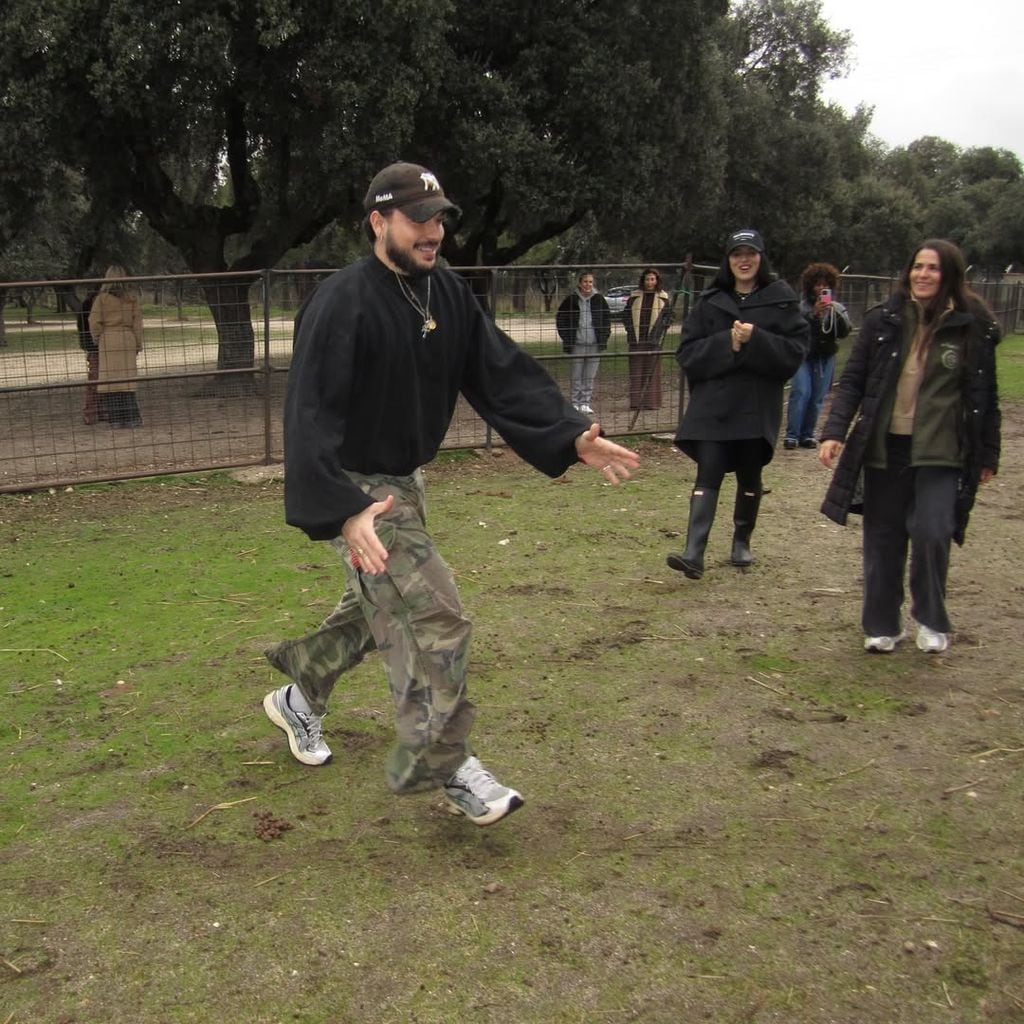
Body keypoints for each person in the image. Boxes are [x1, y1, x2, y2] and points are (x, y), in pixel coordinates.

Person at [263, 161, 640, 827]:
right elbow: (308, 413)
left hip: (407, 482)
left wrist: (571, 435)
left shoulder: (448, 294)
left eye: (439, 218)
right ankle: (450, 765)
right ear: (379, 221)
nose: (433, 231)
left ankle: (300, 698)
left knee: (378, 612)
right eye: (418, 218)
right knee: (434, 615)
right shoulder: (341, 301)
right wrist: (344, 507)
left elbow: (500, 372)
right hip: (363, 492)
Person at [819, 239, 1000, 655]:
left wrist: (988, 453)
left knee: (932, 530)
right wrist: (833, 431)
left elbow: (984, 398)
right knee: (883, 537)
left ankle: (931, 618)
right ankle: (882, 624)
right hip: (886, 446)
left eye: (933, 268)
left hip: (942, 449)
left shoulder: (972, 327)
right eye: (917, 266)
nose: (923, 274)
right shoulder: (883, 321)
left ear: (950, 275)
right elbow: (854, 381)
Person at [666, 229, 808, 579]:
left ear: (762, 258)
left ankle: (741, 539)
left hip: (756, 405)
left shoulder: (781, 300)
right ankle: (693, 552)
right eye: (736, 254)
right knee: (708, 469)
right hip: (714, 404)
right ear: (727, 261)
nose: (744, 260)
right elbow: (686, 353)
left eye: (751, 253)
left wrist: (755, 339)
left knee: (749, 472)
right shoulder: (710, 301)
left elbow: (794, 353)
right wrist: (725, 343)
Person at [783, 262, 852, 450]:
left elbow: (844, 332)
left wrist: (835, 315)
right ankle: (792, 435)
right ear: (810, 286)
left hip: (825, 356)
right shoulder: (801, 307)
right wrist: (813, 315)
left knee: (817, 396)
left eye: (825, 284)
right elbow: (796, 329)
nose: (821, 288)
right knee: (801, 391)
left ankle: (808, 434)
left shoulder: (836, 307)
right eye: (817, 284)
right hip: (804, 356)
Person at [89, 265, 143, 428]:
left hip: (109, 338)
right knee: (127, 380)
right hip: (127, 338)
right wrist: (138, 343)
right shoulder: (131, 297)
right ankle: (132, 417)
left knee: (111, 381)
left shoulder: (102, 299)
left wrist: (98, 337)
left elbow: (94, 321)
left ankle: (116, 419)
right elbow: (137, 322)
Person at [555, 270, 611, 415]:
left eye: (590, 282)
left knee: (589, 375)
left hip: (594, 344)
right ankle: (575, 403)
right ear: (579, 283)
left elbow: (606, 319)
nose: (588, 284)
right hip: (577, 344)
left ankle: (585, 402)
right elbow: (561, 319)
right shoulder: (571, 300)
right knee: (576, 374)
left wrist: (604, 336)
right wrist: (567, 338)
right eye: (585, 281)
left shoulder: (599, 299)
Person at [623, 268, 672, 411]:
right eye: (647, 279)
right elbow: (625, 316)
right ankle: (636, 402)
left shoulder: (663, 297)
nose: (650, 282)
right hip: (636, 339)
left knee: (652, 370)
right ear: (643, 280)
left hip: (654, 339)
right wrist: (630, 330)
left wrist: (662, 328)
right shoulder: (634, 297)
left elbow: (669, 316)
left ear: (657, 281)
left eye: (652, 279)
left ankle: (651, 402)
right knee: (636, 370)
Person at [76, 287, 101, 424]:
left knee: (99, 379)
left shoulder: (92, 304)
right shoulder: (89, 306)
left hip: (98, 345)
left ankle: (100, 411)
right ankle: (90, 412)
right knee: (95, 379)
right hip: (95, 347)